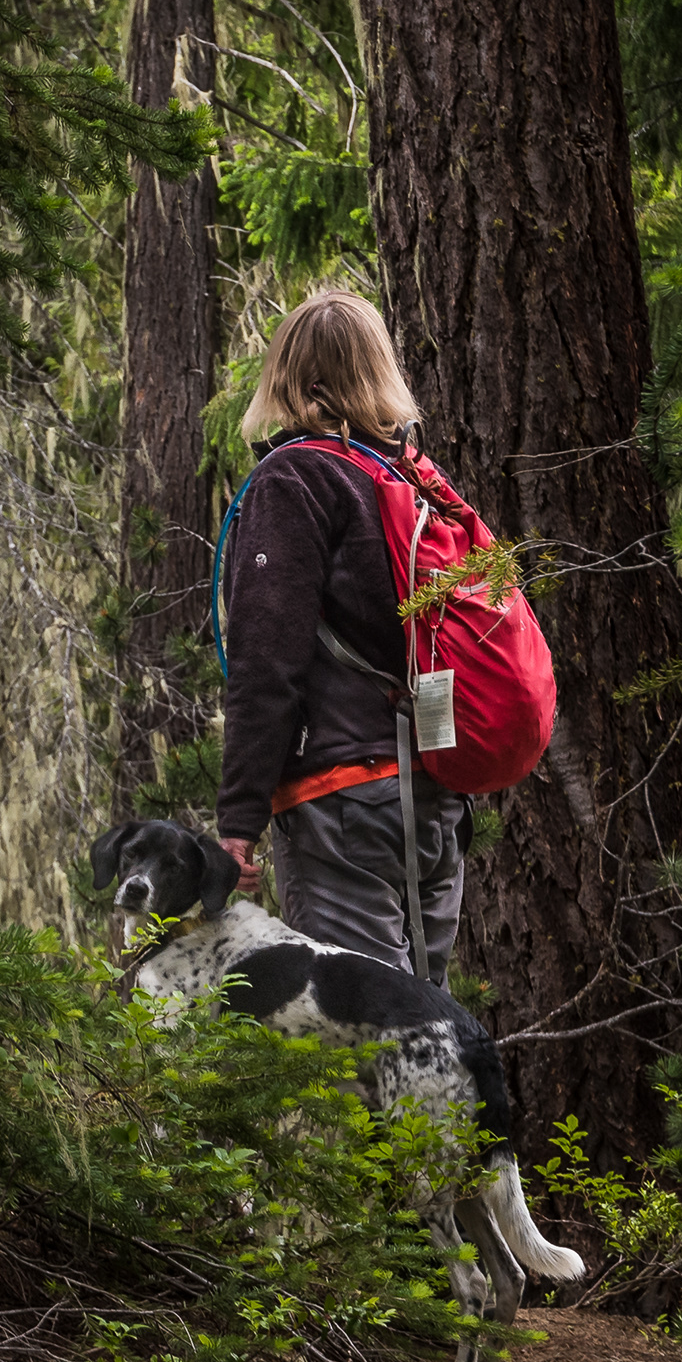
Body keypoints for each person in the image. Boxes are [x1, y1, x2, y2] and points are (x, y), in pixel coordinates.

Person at [214, 290, 467, 977]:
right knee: (423, 1039)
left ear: (296, 382)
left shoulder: (293, 480)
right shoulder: (410, 480)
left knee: (356, 1051)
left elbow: (266, 663)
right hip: (433, 802)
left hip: (342, 808)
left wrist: (238, 827)